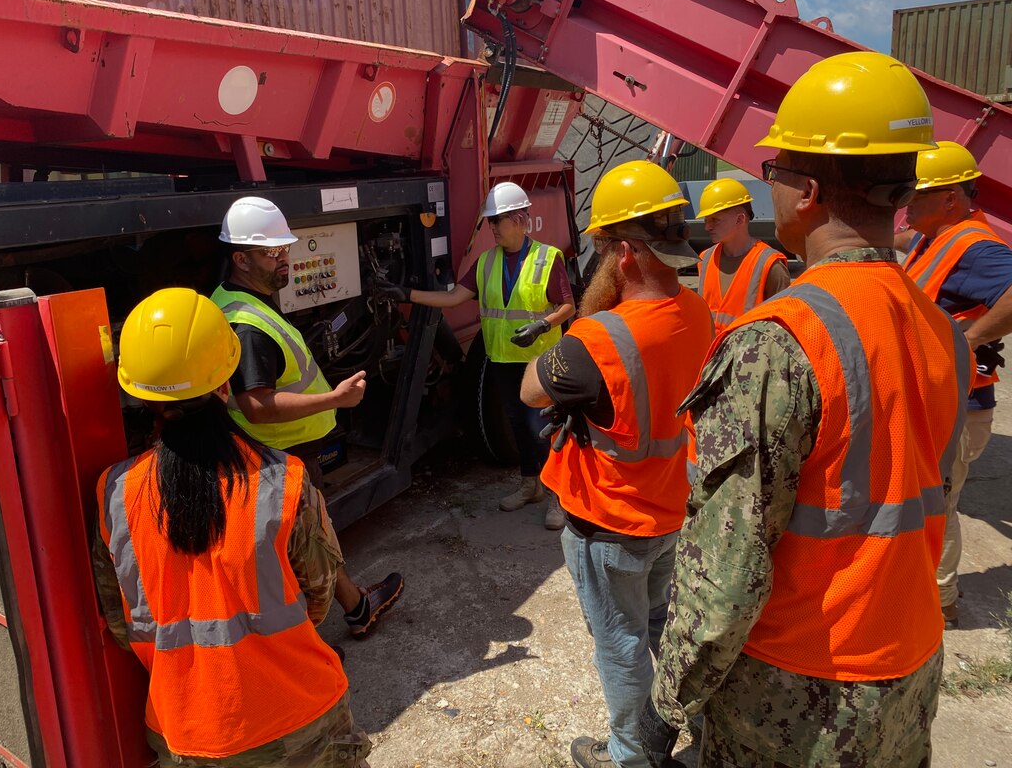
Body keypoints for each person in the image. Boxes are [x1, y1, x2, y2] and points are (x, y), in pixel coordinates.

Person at [645, 52, 972, 767]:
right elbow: (937, 493)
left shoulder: (780, 342)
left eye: (774, 172)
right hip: (909, 671)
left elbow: (726, 569)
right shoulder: (944, 331)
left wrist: (667, 701)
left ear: (808, 191)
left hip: (800, 697)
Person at [93, 288, 372, 767]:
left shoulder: (113, 493)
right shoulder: (285, 482)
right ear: (225, 385)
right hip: (299, 720)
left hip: (186, 733)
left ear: (139, 398)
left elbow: (120, 624)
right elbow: (320, 598)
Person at [519, 160, 713, 768]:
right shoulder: (697, 311)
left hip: (608, 526)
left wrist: (577, 323)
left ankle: (630, 755)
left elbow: (530, 391)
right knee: (662, 628)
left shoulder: (598, 339)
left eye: (602, 249)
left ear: (625, 253)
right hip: (670, 513)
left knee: (621, 643)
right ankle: (704, 736)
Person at [210, 197, 403, 638]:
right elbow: (257, 406)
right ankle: (311, 642)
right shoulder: (246, 323)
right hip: (283, 454)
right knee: (304, 549)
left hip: (289, 452)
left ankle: (356, 608)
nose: (284, 260)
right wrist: (334, 400)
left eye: (285, 250)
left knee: (314, 538)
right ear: (240, 258)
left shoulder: (238, 298)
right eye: (270, 253)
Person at [382, 181, 575, 530]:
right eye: (490, 222)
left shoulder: (547, 258)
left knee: (542, 427)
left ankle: (558, 499)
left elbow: (567, 306)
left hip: (539, 361)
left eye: (496, 221)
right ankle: (530, 484)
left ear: (518, 219)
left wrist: (542, 326)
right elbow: (455, 298)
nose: (492, 228)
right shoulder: (487, 262)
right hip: (502, 360)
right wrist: (406, 294)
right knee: (518, 423)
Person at [902, 140, 1012, 629]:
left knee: (939, 504)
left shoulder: (973, 246)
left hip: (959, 407)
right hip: (939, 400)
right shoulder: (935, 238)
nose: (907, 203)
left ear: (949, 198)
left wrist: (968, 341)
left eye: (916, 195)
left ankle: (940, 602)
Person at [695, 177, 790, 331]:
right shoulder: (704, 259)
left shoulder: (769, 265)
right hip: (710, 353)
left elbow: (784, 325)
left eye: (714, 220)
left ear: (740, 219)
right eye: (706, 220)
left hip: (749, 354)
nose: (707, 227)